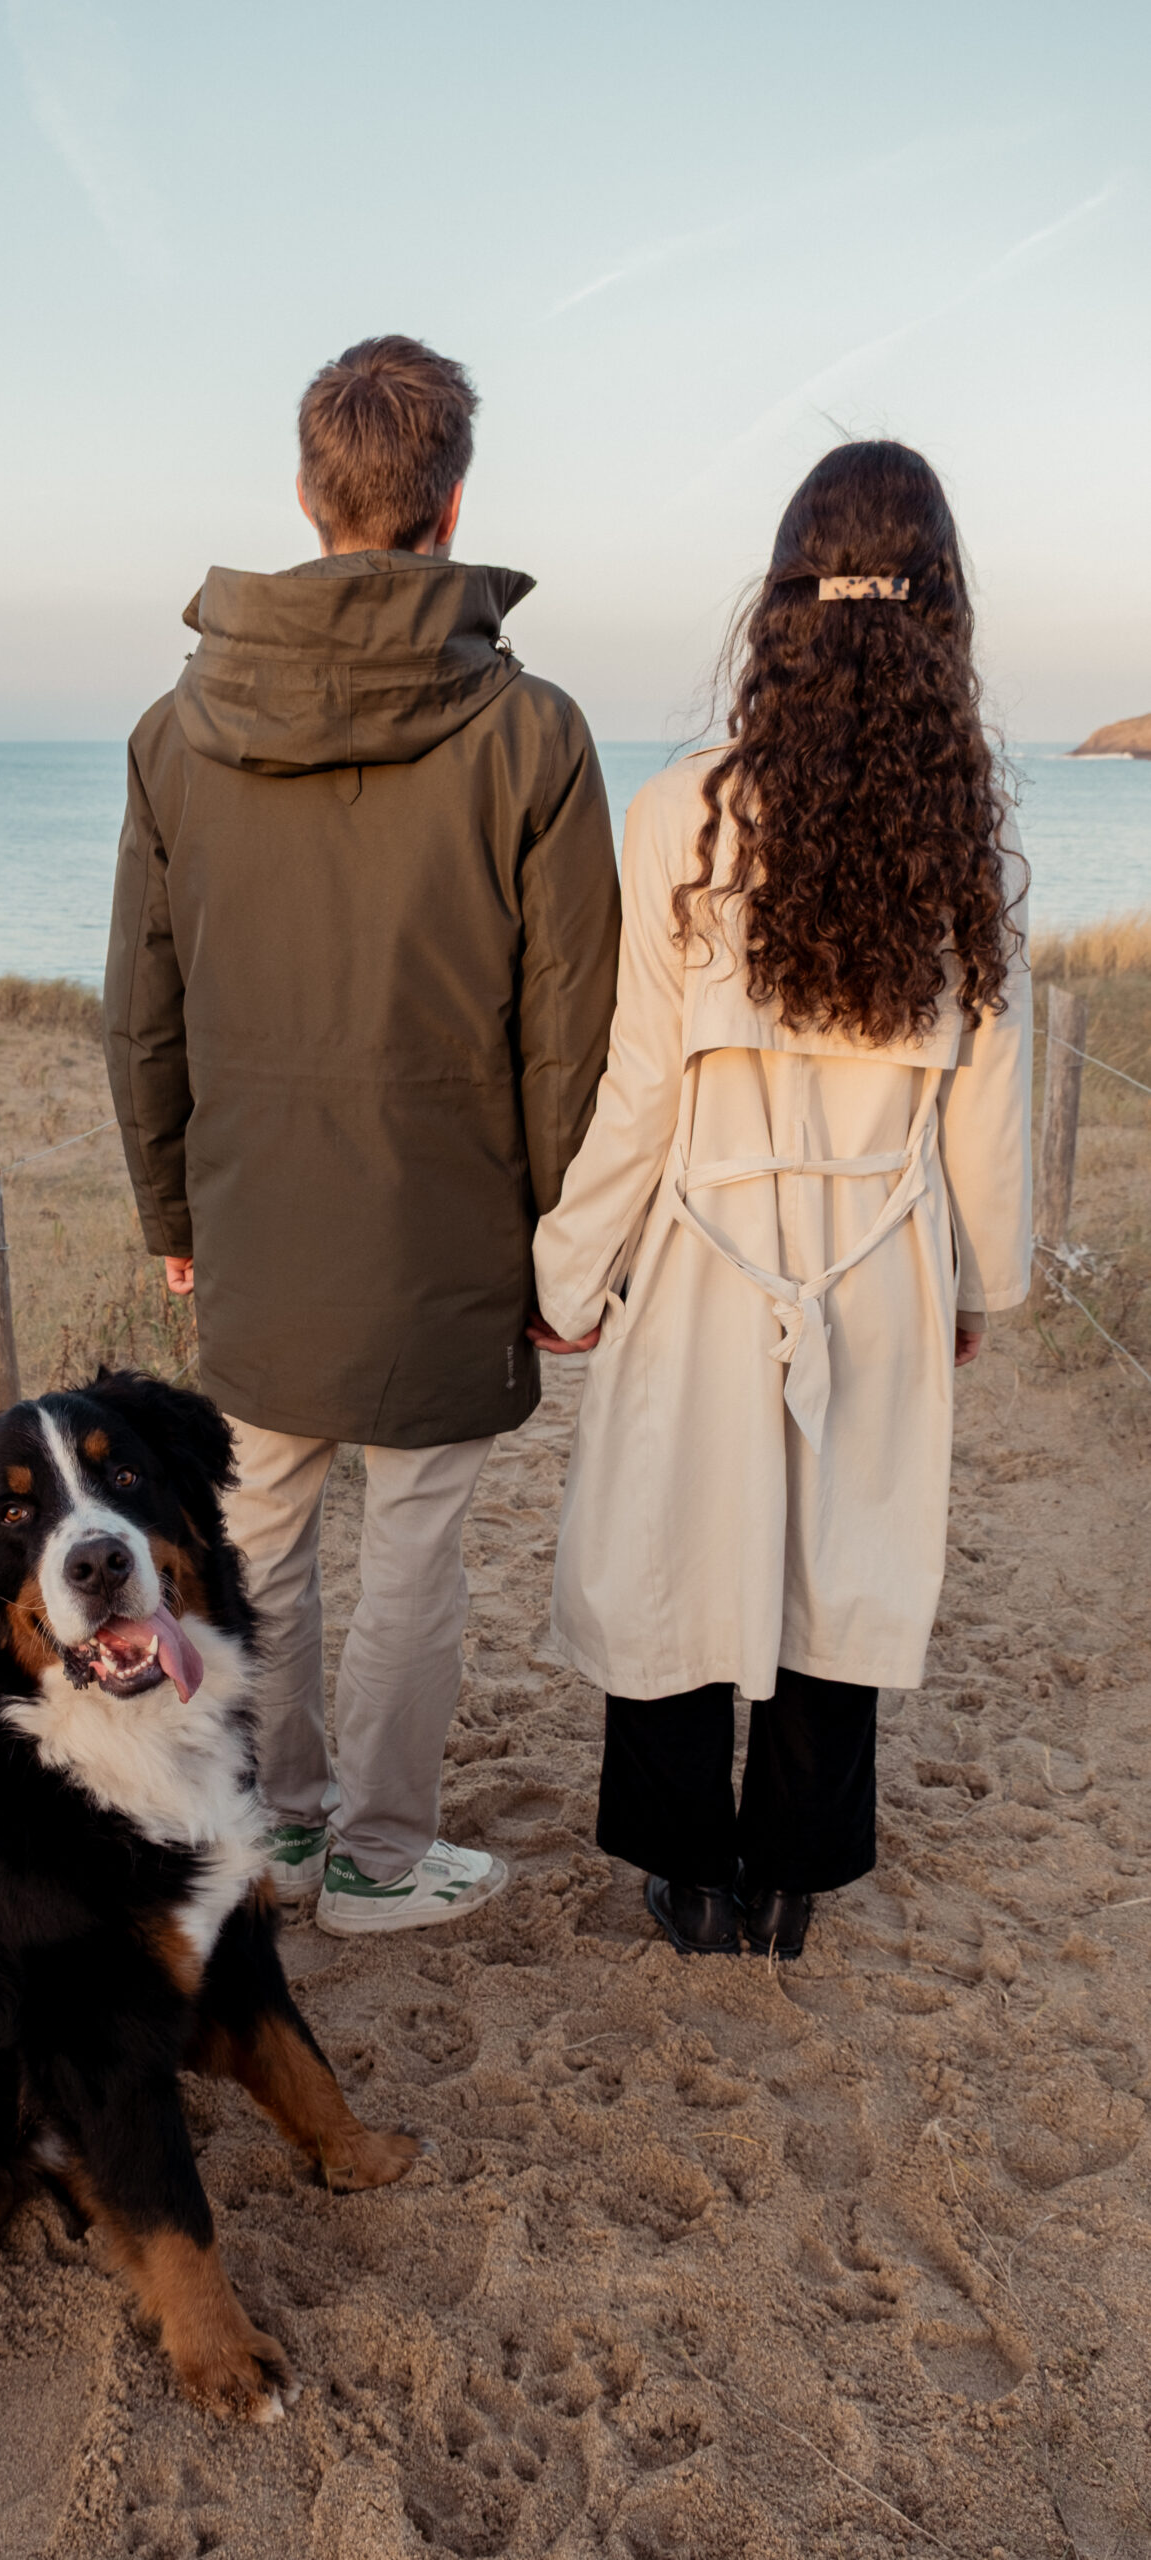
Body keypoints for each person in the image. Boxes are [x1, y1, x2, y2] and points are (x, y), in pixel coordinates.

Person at [104, 335, 621, 1936]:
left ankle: (285, 1832)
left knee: (258, 1540)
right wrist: (563, 1244)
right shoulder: (534, 732)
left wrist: (170, 1206)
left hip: (259, 1230)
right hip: (449, 1234)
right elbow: (572, 1029)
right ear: (452, 502)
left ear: (309, 493)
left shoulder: (175, 733)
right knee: (412, 1558)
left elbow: (144, 1004)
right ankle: (384, 1861)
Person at [530, 439, 1032, 1960]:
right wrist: (972, 1285)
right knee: (843, 1557)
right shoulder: (971, 835)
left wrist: (572, 1269)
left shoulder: (681, 809)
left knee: (679, 1540)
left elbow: (641, 1084)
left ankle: (687, 1874)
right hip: (878, 1254)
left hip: (706, 1254)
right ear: (940, 600)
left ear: (783, 596)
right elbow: (985, 1107)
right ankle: (795, 1877)